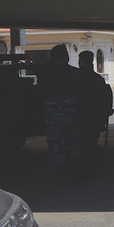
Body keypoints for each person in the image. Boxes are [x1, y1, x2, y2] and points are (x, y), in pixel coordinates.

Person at [40, 44, 80, 183]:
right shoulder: (74, 72)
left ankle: (59, 172)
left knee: (56, 143)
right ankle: (78, 170)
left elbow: (41, 91)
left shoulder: (45, 72)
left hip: (51, 113)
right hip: (70, 111)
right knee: (74, 142)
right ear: (65, 56)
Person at [74, 50, 113, 167]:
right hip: (94, 116)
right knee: (92, 142)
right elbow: (104, 99)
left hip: (78, 116)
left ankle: (83, 166)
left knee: (79, 144)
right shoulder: (98, 79)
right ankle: (91, 165)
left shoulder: (75, 77)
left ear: (81, 61)